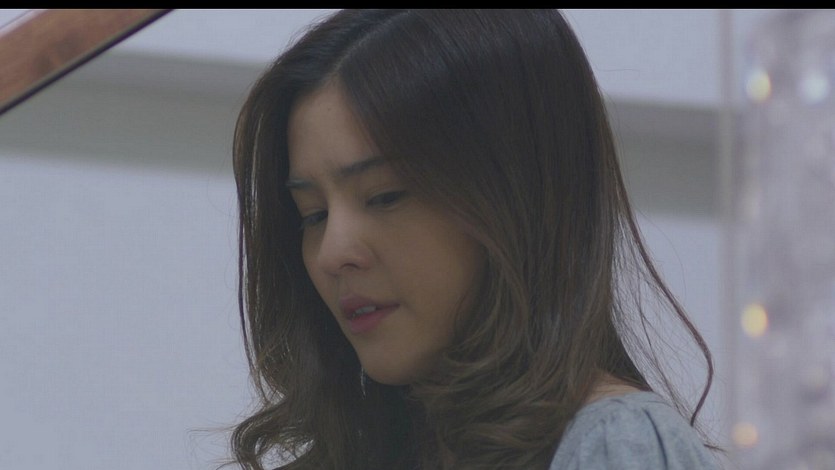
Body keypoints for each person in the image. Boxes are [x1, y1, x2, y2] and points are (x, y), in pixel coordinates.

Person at [229, 9, 721, 470]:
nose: (332, 253)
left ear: (517, 196)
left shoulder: (616, 446)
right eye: (312, 215)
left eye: (384, 196)